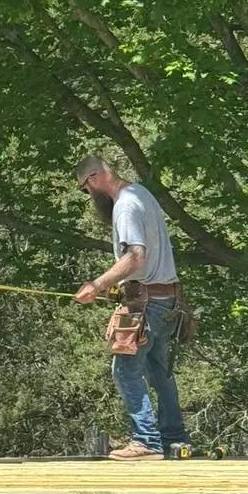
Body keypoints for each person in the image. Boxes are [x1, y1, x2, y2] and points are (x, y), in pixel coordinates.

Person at [72, 154, 190, 460]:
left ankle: (146, 440)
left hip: (147, 303)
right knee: (158, 369)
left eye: (86, 189)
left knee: (124, 369)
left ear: (94, 179)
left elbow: (135, 257)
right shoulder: (142, 194)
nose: (90, 196)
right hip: (167, 299)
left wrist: (95, 285)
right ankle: (175, 439)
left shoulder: (124, 206)